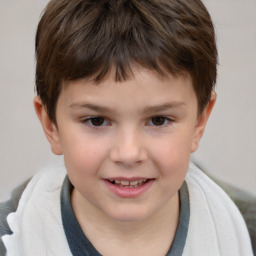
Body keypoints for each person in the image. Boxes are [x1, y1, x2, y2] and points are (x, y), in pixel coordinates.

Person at [0, 0, 254, 255]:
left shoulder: (243, 232)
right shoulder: (13, 238)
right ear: (50, 125)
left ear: (200, 121)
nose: (129, 153)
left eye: (158, 120)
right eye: (97, 121)